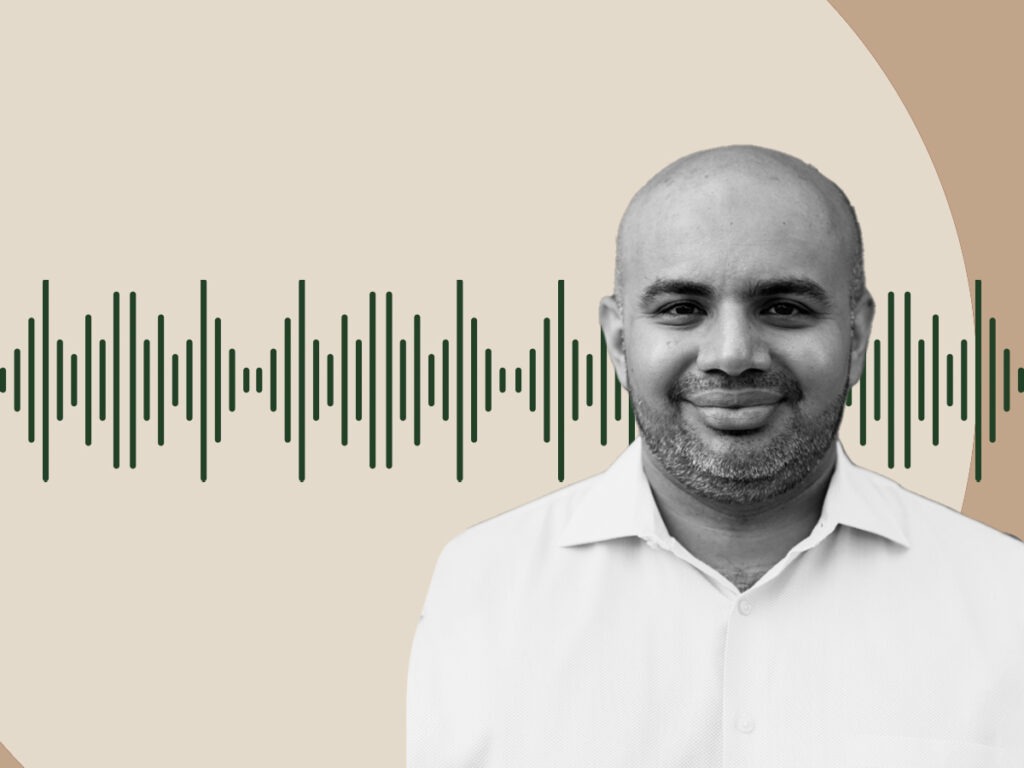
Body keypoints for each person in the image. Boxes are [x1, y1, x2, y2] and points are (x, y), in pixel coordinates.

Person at [407, 146, 1024, 767]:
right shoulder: (483, 587)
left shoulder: (1006, 598)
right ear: (619, 341)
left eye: (784, 308)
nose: (731, 355)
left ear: (857, 337)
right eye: (682, 309)